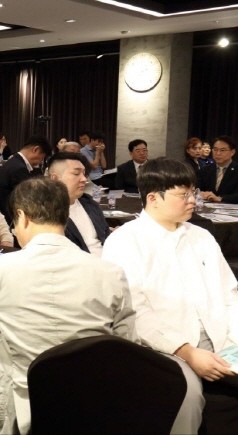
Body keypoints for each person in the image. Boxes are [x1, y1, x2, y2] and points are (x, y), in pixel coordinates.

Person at [0, 177, 137, 434]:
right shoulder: (110, 273)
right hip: (88, 401)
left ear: (22, 217)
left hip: (19, 403)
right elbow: (126, 342)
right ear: (65, 216)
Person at [102, 157, 236, 433]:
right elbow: (134, 311)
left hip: (221, 339)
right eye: (183, 194)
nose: (193, 200)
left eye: (193, 192)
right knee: (185, 397)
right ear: (153, 198)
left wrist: (234, 340)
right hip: (165, 349)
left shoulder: (201, 236)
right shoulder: (125, 241)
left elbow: (229, 295)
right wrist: (186, 351)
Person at [47, 152, 110, 256]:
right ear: (54, 178)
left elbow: (105, 235)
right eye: (76, 174)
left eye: (84, 174)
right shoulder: (45, 212)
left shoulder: (90, 203)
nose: (84, 179)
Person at [0, 135, 52, 224]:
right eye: (42, 158)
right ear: (35, 150)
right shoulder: (19, 168)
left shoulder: (14, 161)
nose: (41, 161)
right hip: (11, 220)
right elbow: (30, 198)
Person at [199, 136, 238, 204]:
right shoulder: (204, 170)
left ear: (232, 152)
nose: (218, 153)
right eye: (215, 149)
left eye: (222, 150)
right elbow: (198, 189)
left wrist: (220, 198)